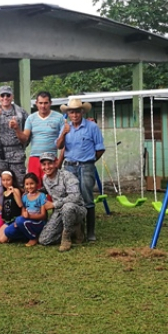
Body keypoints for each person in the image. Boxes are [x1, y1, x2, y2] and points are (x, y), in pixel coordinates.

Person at [56, 98, 105, 242]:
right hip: (69, 167)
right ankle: (77, 231)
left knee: (87, 198)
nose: (75, 115)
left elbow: (100, 149)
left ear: (82, 112)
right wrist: (64, 133)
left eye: (77, 111)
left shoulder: (92, 127)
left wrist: (89, 161)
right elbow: (59, 146)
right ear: (68, 114)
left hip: (86, 166)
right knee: (72, 198)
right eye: (72, 112)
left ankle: (91, 232)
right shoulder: (65, 127)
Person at [38, 152, 86, 252]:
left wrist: (54, 204)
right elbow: (48, 190)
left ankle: (66, 238)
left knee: (67, 207)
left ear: (56, 163)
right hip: (59, 211)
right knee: (44, 240)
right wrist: (32, 192)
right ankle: (74, 230)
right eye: (44, 164)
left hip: (76, 209)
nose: (47, 167)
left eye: (49, 163)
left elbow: (75, 196)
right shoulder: (45, 178)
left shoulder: (67, 176)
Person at [13, 91, 64, 184]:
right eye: (40, 103)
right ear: (36, 103)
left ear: (50, 103)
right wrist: (17, 129)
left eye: (45, 103)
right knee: (34, 188)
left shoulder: (59, 118)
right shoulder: (31, 118)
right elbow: (24, 139)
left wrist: (59, 162)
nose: (43, 106)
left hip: (51, 159)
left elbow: (65, 142)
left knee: (52, 189)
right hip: (35, 158)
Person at [0, 85, 28, 184]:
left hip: (16, 152)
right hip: (0, 153)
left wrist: (22, 145)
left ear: (12, 97)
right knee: (0, 183)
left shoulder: (21, 112)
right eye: (2, 95)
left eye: (8, 95)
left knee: (19, 182)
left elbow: (28, 132)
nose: (5, 98)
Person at [2, 173, 48, 246]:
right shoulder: (25, 197)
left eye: (32, 184)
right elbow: (23, 212)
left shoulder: (41, 196)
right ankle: (28, 236)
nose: (29, 186)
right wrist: (18, 222)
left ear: (37, 183)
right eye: (27, 184)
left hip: (38, 222)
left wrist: (29, 216)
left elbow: (43, 216)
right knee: (8, 231)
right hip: (26, 221)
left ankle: (33, 238)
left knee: (20, 220)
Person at [0, 171, 22, 243]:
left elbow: (20, 205)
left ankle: (19, 235)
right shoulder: (5, 192)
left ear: (12, 180)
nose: (5, 182)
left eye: (8, 180)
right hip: (7, 221)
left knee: (2, 240)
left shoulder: (16, 190)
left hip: (14, 220)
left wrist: (14, 192)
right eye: (3, 180)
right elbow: (4, 209)